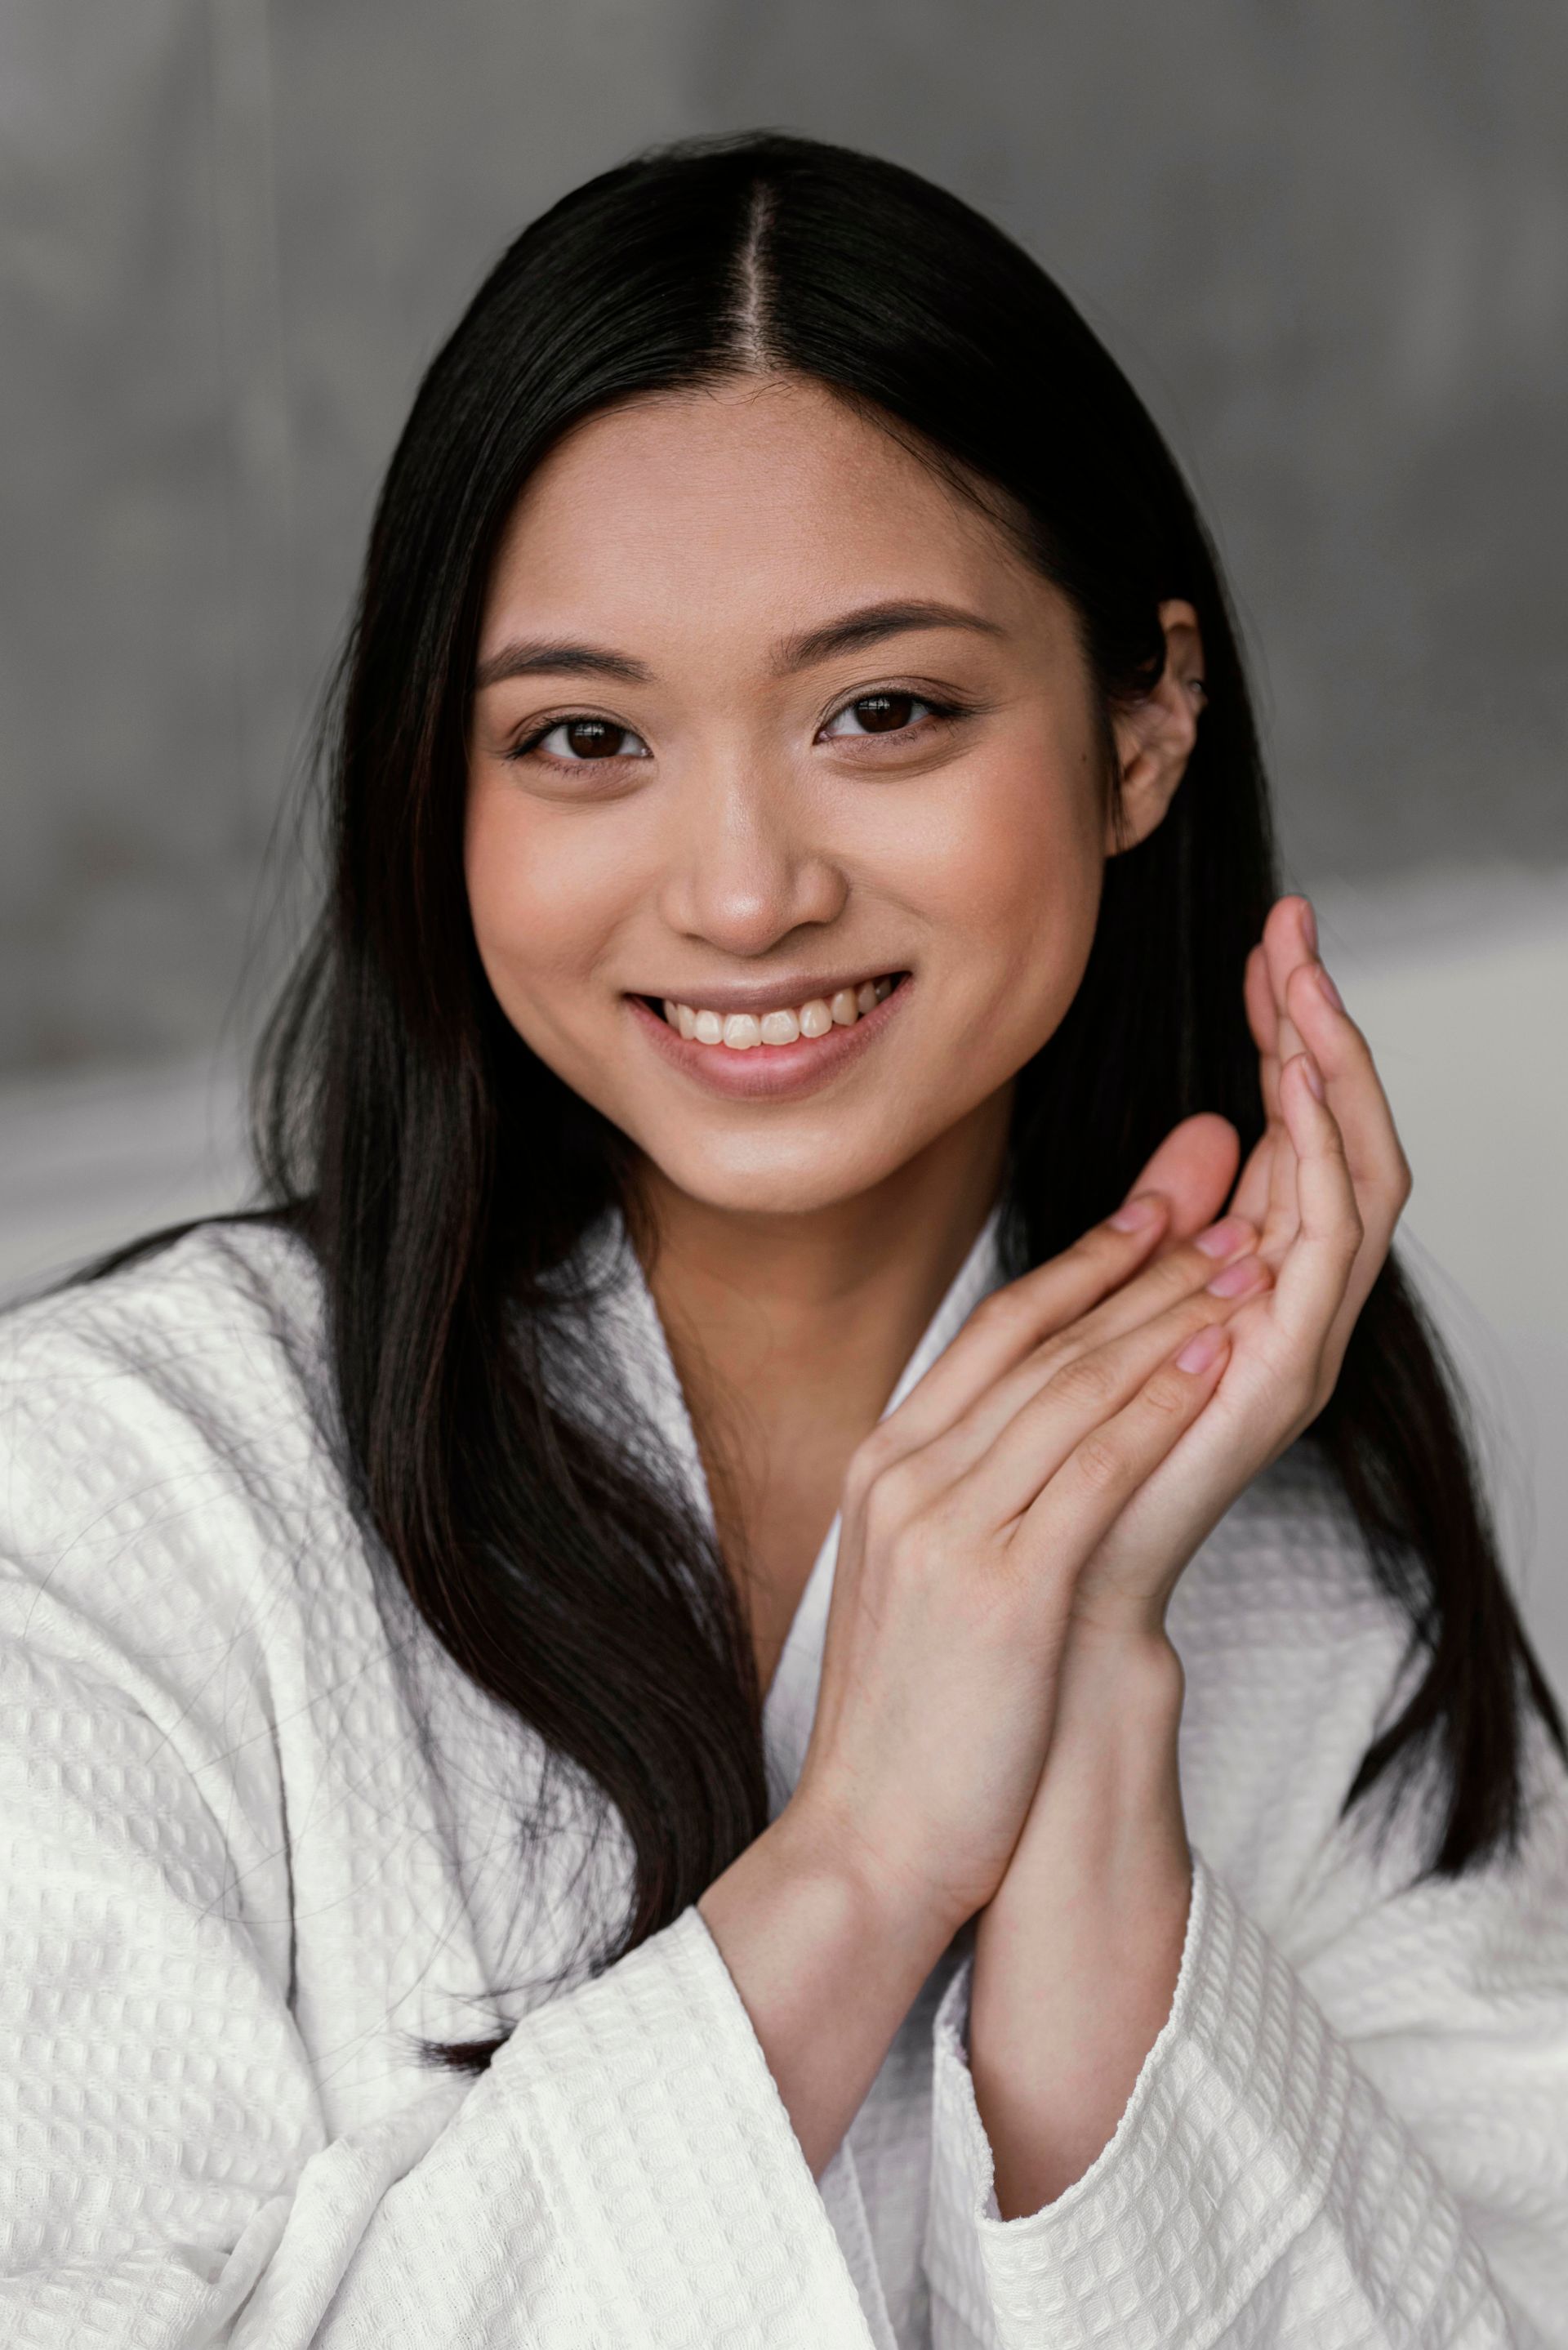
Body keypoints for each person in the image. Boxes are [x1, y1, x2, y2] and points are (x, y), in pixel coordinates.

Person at [2, 132, 1564, 2350]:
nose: (742, 891)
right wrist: (863, 1864)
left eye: (882, 711)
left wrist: (1095, 1717)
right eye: (581, 739)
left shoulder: (1313, 1575)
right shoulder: (114, 1503)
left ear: (1147, 722)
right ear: (434, 799)